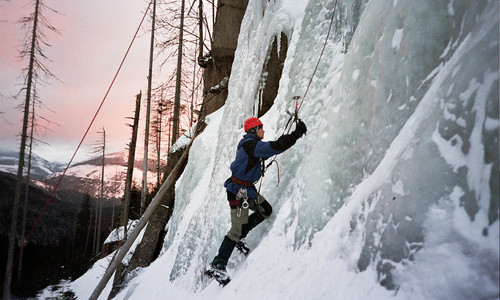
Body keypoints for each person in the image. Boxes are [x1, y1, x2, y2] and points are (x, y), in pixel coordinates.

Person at [206, 116, 307, 282]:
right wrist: (296, 134)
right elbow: (276, 146)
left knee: (265, 209)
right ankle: (218, 265)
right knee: (235, 230)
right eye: (261, 128)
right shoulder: (251, 145)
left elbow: (274, 146)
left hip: (246, 191)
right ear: (254, 130)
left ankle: (240, 237)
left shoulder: (253, 146)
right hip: (238, 192)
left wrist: (289, 137)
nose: (264, 130)